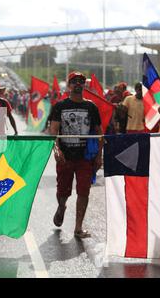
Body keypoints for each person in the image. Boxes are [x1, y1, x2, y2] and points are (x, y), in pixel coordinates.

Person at [49, 71, 103, 239]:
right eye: (74, 82)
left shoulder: (91, 107)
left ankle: (78, 228)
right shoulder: (60, 106)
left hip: (85, 158)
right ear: (69, 85)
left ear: (84, 85)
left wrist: (99, 155)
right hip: (65, 157)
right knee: (63, 192)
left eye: (81, 81)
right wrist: (56, 150)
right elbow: (53, 132)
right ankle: (62, 206)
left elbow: (99, 133)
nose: (78, 84)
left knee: (84, 191)